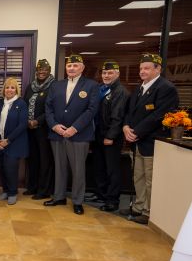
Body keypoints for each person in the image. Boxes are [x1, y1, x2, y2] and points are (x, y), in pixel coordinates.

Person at [121, 53, 179, 224]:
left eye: (146, 68)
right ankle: (138, 207)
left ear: (158, 69)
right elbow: (129, 111)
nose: (142, 71)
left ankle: (148, 212)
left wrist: (135, 131)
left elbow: (159, 116)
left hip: (152, 142)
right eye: (141, 68)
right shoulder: (140, 87)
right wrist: (125, 127)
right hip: (136, 142)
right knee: (138, 177)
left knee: (150, 179)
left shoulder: (166, 88)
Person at [44, 54, 99, 215]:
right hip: (57, 134)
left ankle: (77, 200)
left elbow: (91, 110)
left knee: (78, 169)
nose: (72, 68)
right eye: (69, 65)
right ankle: (59, 196)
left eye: (75, 65)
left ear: (82, 68)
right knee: (59, 167)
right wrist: (54, 126)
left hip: (79, 135)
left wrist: (74, 128)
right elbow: (48, 108)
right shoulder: (56, 85)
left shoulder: (91, 85)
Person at [86, 60, 129, 212]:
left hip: (111, 136)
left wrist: (110, 136)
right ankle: (101, 193)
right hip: (98, 134)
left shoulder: (120, 92)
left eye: (110, 73)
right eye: (104, 73)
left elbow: (118, 117)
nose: (106, 75)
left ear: (117, 74)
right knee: (99, 166)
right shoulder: (100, 89)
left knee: (112, 169)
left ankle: (112, 199)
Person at [0, 78, 29, 205]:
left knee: (10, 168)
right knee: (2, 168)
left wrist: (8, 140)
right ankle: (6, 190)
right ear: (4, 89)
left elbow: (22, 125)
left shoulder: (21, 104)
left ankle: (13, 192)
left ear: (16, 90)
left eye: (12, 88)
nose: (9, 90)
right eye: (7, 87)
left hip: (14, 143)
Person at [22, 59, 55, 200]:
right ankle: (32, 187)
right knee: (32, 159)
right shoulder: (30, 87)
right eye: (39, 69)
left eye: (45, 70)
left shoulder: (54, 87)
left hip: (44, 129)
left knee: (44, 160)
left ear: (49, 71)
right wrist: (27, 121)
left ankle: (44, 190)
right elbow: (24, 104)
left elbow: (52, 109)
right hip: (29, 129)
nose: (42, 72)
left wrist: (37, 121)